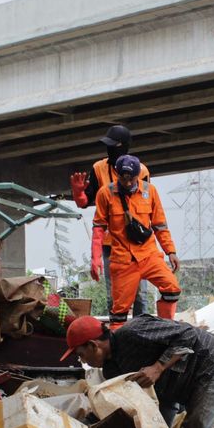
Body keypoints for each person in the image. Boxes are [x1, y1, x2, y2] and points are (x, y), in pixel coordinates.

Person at [66, 314, 214, 428]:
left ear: (93, 345)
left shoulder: (133, 332)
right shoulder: (111, 369)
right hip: (172, 388)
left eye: (81, 355)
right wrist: (83, 426)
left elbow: (187, 334)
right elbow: (118, 404)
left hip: (210, 365)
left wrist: (158, 367)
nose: (83, 361)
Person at [70, 125, 150, 319]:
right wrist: (79, 193)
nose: (110, 150)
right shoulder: (99, 169)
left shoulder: (142, 171)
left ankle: (145, 331)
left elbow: (146, 204)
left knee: (140, 296)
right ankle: (117, 334)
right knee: (113, 295)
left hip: (135, 242)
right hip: (110, 243)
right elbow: (85, 202)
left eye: (114, 146)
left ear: (124, 147)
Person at [92, 155, 180, 327]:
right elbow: (98, 228)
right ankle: (118, 349)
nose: (127, 182)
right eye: (123, 178)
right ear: (117, 175)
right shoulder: (105, 194)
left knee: (172, 289)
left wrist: (171, 252)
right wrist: (95, 258)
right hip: (123, 261)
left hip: (149, 256)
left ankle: (165, 327)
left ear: (138, 175)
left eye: (131, 178)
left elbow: (160, 225)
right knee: (119, 315)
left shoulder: (150, 191)